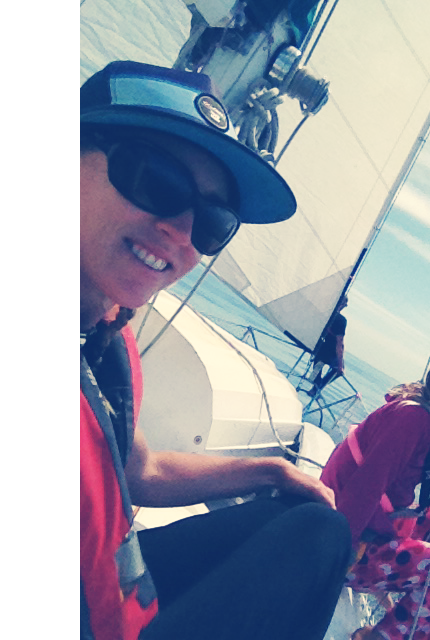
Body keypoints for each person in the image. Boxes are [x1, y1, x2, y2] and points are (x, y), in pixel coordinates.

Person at [80, 60, 352, 640]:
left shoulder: (104, 336)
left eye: (212, 223)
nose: (182, 233)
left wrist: (272, 470)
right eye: (155, 180)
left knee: (309, 526)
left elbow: (141, 471)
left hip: (107, 591)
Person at [320, 346, 430, 640]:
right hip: (343, 547)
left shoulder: (424, 416)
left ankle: (408, 612)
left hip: (356, 526)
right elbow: (365, 488)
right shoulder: (413, 421)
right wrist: (336, 556)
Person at [308, 296, 348, 394]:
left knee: (318, 366)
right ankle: (317, 388)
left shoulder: (325, 314)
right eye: (345, 304)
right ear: (341, 304)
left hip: (320, 348)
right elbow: (339, 343)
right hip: (332, 351)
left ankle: (315, 388)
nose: (346, 306)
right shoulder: (341, 320)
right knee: (338, 370)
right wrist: (340, 366)